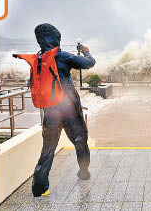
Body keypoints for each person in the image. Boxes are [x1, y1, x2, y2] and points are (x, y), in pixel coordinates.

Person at [31, 23, 96, 197]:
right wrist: (85, 51)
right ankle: (84, 172)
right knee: (80, 139)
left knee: (48, 148)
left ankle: (40, 187)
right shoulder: (63, 57)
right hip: (69, 108)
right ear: (56, 39)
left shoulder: (37, 60)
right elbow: (89, 63)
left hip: (50, 111)